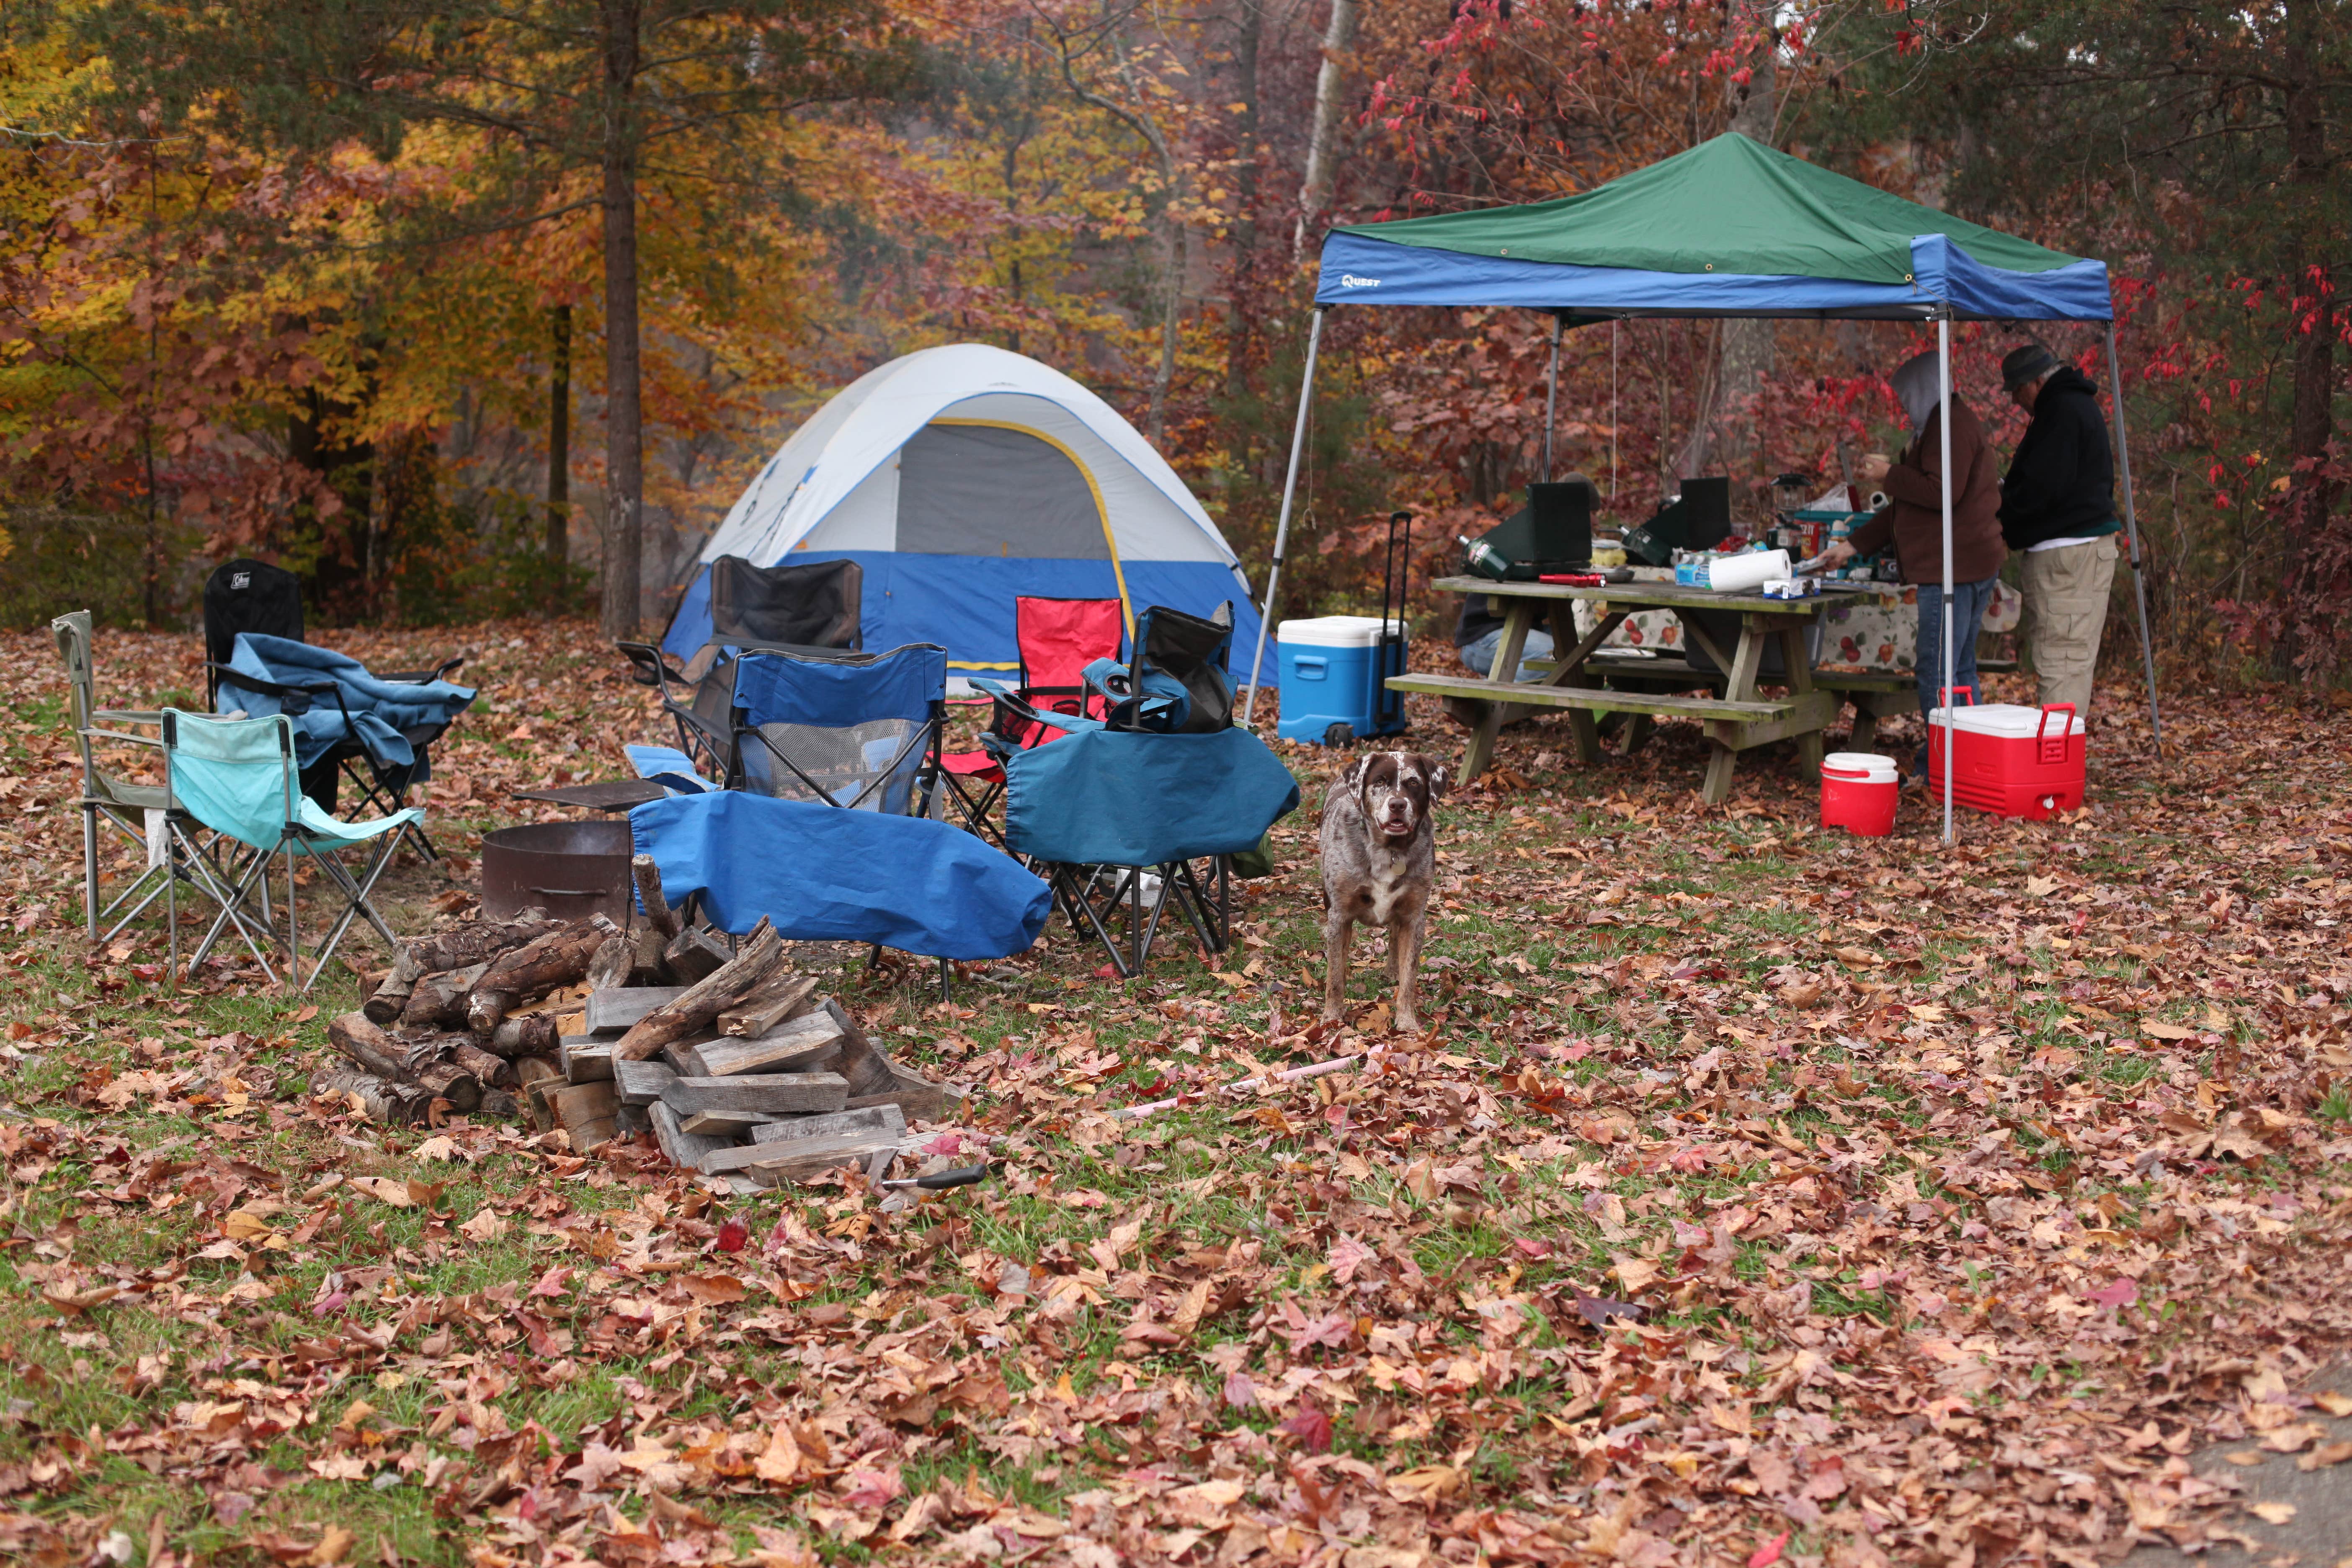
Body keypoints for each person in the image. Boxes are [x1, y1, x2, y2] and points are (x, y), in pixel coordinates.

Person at [1816, 350, 2005, 782]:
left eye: (1906, 396)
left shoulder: (1950, 426)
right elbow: (1909, 507)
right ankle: (1968, 765)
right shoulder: (1938, 427)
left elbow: (1942, 492)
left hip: (1955, 569)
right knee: (1958, 671)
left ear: (1924, 389)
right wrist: (1851, 547)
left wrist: (1889, 474)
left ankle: (1944, 769)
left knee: (1938, 671)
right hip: (1967, 563)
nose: (1903, 406)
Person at [1995, 343, 2120, 718]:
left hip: (2070, 555)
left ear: (2038, 380)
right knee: (2063, 656)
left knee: (2062, 661)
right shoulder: (2064, 407)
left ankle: (2056, 763)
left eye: (2019, 390)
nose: (2017, 400)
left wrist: (2005, 515)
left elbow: (2042, 490)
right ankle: (2057, 755)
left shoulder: (2062, 412)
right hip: (2072, 552)